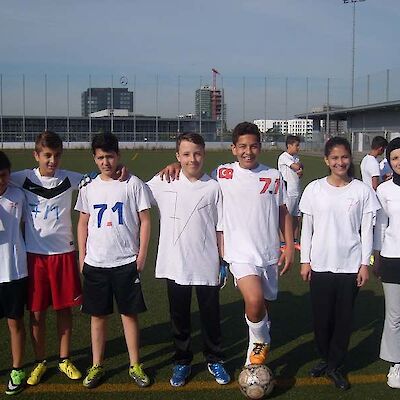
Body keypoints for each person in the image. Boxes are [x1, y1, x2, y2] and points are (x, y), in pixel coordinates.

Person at [159, 122, 294, 368]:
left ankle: (259, 339)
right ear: (233, 149)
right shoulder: (223, 174)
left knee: (263, 306)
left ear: (260, 147)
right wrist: (176, 165)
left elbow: (283, 211)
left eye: (253, 146)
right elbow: (194, 172)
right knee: (254, 301)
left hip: (268, 252)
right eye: (242, 146)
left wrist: (289, 245)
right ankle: (259, 343)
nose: (248, 152)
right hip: (239, 254)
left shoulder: (273, 176)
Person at [146, 133, 230, 387]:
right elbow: (135, 193)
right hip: (175, 264)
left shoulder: (214, 187)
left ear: (204, 154)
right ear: (177, 156)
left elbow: (220, 227)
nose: (192, 159)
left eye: (197, 153)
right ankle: (182, 361)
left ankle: (215, 358)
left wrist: (223, 261)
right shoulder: (163, 181)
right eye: (185, 154)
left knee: (210, 316)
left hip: (206, 263)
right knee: (179, 316)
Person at [300, 136, 380, 391]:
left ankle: (335, 365)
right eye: (334, 158)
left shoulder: (362, 191)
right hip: (320, 265)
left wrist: (364, 264)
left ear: (350, 158)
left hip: (349, 266)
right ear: (326, 160)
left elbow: (367, 231)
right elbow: (307, 228)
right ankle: (325, 358)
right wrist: (305, 261)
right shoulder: (314, 189)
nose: (340, 162)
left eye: (344, 157)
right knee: (321, 320)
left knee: (343, 320)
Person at [75, 133, 151, 389]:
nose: (105, 162)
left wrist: (141, 255)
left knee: (129, 315)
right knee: (97, 317)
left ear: (118, 156)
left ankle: (135, 364)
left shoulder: (133, 184)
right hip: (96, 263)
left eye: (109, 156)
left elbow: (145, 220)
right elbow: (83, 222)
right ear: (94, 159)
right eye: (100, 158)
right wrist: (82, 256)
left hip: (125, 262)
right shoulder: (88, 187)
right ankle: (97, 364)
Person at [10, 131, 83, 385]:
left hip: (63, 254)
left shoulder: (70, 178)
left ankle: (64, 359)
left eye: (57, 155)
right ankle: (40, 361)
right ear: (36, 155)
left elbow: (100, 178)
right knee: (37, 313)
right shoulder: (22, 178)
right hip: (34, 257)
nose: (52, 161)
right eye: (47, 155)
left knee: (64, 310)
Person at [0, 151, 28, 395]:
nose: (0, 181)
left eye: (3, 175)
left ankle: (17, 369)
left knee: (15, 322)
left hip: (15, 272)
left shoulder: (18, 195)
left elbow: (27, 225)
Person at [373, 137, 400, 388]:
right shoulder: (384, 190)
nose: (399, 162)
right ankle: (396, 363)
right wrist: (377, 258)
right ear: (389, 162)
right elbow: (380, 226)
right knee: (394, 315)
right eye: (395, 158)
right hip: (393, 259)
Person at [277, 135, 303, 250]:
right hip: (288, 191)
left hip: (297, 190)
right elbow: (296, 167)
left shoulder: (296, 157)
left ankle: (295, 241)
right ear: (289, 145)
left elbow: (299, 171)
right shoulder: (284, 157)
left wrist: (300, 171)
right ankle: (282, 242)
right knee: (286, 216)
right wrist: (299, 167)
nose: (298, 148)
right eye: (296, 145)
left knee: (297, 216)